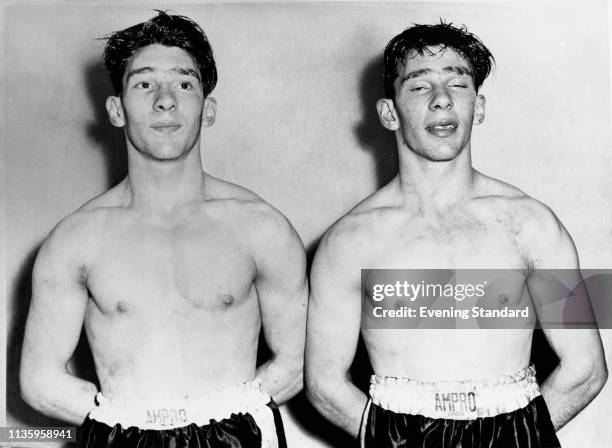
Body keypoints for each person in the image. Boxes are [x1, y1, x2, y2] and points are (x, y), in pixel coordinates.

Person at [305, 22, 607, 447]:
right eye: (419, 87)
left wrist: (518, 439)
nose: (442, 99)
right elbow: (323, 384)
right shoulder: (349, 242)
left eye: (457, 84)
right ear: (389, 113)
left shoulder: (532, 225)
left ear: (477, 107)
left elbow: (587, 368)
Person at [20, 11, 308, 448]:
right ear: (116, 109)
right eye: (144, 83)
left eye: (184, 83)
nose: (166, 100)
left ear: (207, 109)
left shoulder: (261, 227)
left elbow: (298, 360)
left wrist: (223, 419)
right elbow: (40, 380)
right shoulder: (74, 240)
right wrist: (130, 423)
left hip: (237, 435)